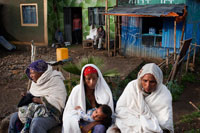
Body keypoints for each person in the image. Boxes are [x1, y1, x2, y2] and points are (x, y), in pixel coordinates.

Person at [108, 63, 173, 133]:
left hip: (154, 128)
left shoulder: (164, 94)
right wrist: (139, 122)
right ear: (140, 79)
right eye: (145, 81)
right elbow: (121, 109)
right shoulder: (132, 87)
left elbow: (165, 121)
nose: (148, 85)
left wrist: (148, 124)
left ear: (158, 81)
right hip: (130, 123)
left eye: (152, 82)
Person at [8, 59, 67, 133]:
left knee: (36, 123)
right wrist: (27, 96)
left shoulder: (55, 81)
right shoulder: (36, 81)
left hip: (52, 115)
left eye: (33, 73)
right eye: (30, 73)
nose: (30, 75)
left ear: (41, 73)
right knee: (14, 117)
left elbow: (59, 102)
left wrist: (41, 101)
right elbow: (34, 93)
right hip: (33, 111)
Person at [62, 64, 114, 133]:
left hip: (97, 122)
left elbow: (107, 117)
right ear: (84, 79)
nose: (92, 82)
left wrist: (93, 124)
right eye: (88, 79)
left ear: (98, 78)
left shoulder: (104, 91)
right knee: (71, 123)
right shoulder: (77, 90)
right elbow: (70, 112)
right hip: (81, 120)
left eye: (94, 78)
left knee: (100, 128)